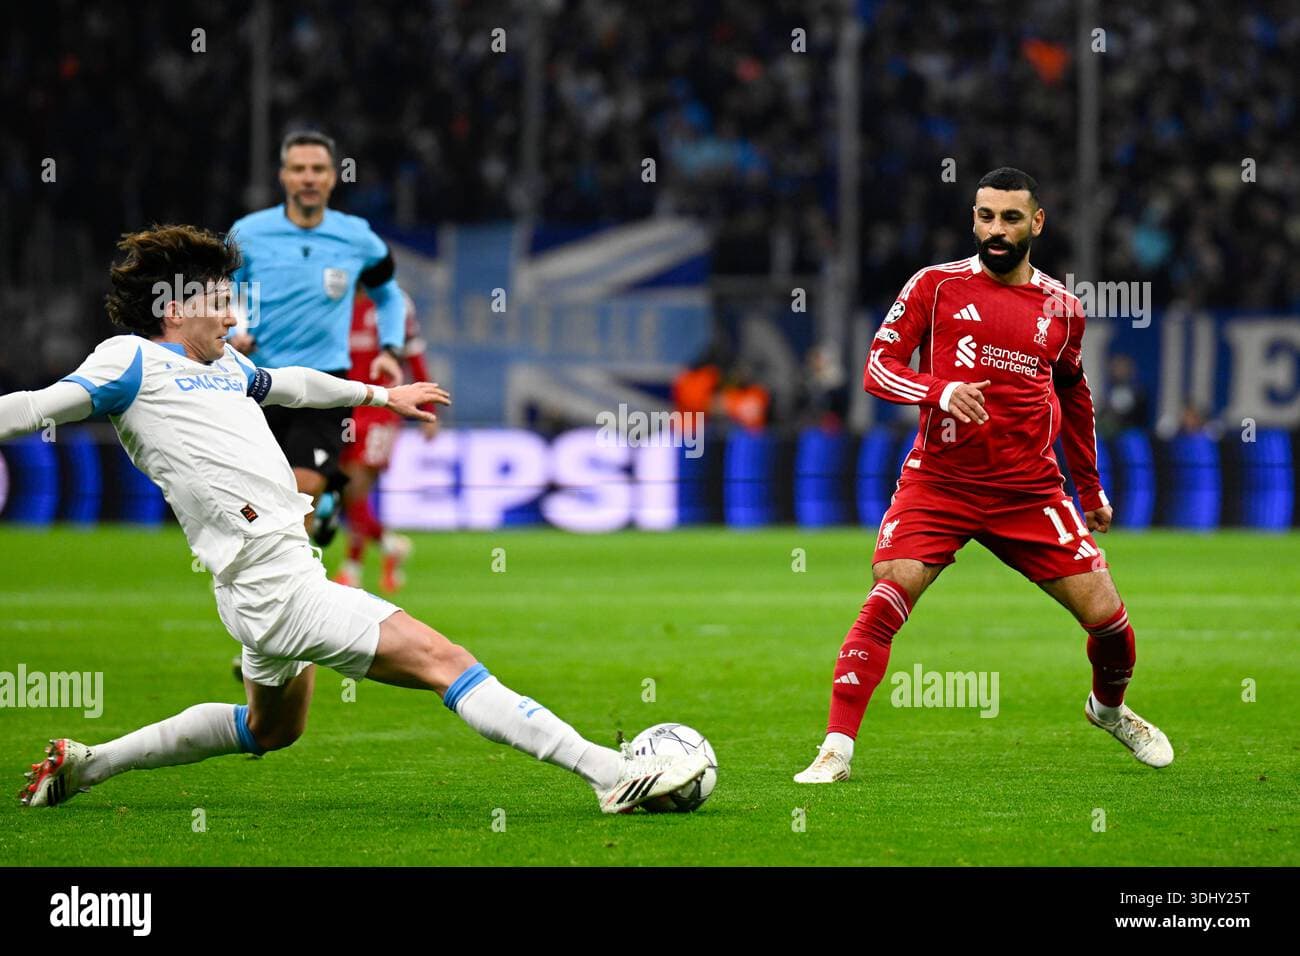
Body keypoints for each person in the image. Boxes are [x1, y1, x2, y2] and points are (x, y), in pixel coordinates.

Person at [2, 225, 706, 813]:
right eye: (220, 303)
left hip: (261, 586)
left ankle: (89, 765)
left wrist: (379, 395)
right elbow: (36, 406)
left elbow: (293, 385)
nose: (231, 318)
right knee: (446, 663)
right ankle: (609, 776)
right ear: (174, 308)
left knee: (269, 730)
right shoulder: (129, 360)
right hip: (275, 585)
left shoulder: (222, 368)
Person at [794, 168, 1173, 783]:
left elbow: (1075, 397)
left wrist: (1091, 486)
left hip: (1029, 490)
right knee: (890, 591)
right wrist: (937, 390)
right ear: (974, 219)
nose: (996, 230)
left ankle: (1109, 711)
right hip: (939, 482)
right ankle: (835, 749)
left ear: (1037, 223)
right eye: (986, 217)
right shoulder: (934, 286)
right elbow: (877, 368)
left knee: (1110, 622)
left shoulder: (1063, 310)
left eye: (1011, 218)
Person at [227, 130, 408, 547]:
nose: (308, 177)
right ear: (284, 177)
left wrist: (390, 349)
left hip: (324, 383)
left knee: (300, 488)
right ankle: (328, 501)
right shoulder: (248, 232)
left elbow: (388, 296)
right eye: (299, 169)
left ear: (332, 177)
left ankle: (295, 591)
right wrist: (236, 330)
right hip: (258, 381)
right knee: (262, 498)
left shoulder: (357, 236)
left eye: (318, 169)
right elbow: (222, 289)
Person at [335, 286, 438, 592]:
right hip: (340, 407)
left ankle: (351, 568)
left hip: (380, 410)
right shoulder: (332, 302)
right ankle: (390, 545)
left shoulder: (394, 304)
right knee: (343, 492)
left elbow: (414, 355)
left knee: (356, 489)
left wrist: (428, 409)